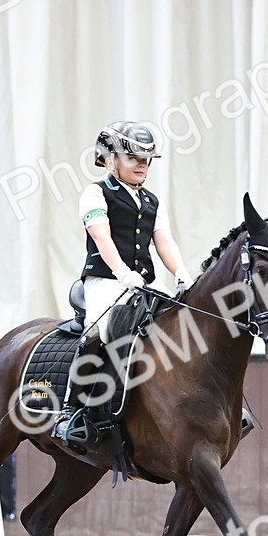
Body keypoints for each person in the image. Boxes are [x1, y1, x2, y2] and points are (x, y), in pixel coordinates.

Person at [53, 121, 195, 443]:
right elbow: (101, 235)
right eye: (134, 158)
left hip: (142, 283)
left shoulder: (152, 202)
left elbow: (164, 242)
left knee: (181, 322)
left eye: (147, 160)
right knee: (100, 332)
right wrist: (120, 272)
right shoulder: (95, 193)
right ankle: (70, 411)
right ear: (111, 159)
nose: (142, 165)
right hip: (105, 281)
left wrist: (181, 273)